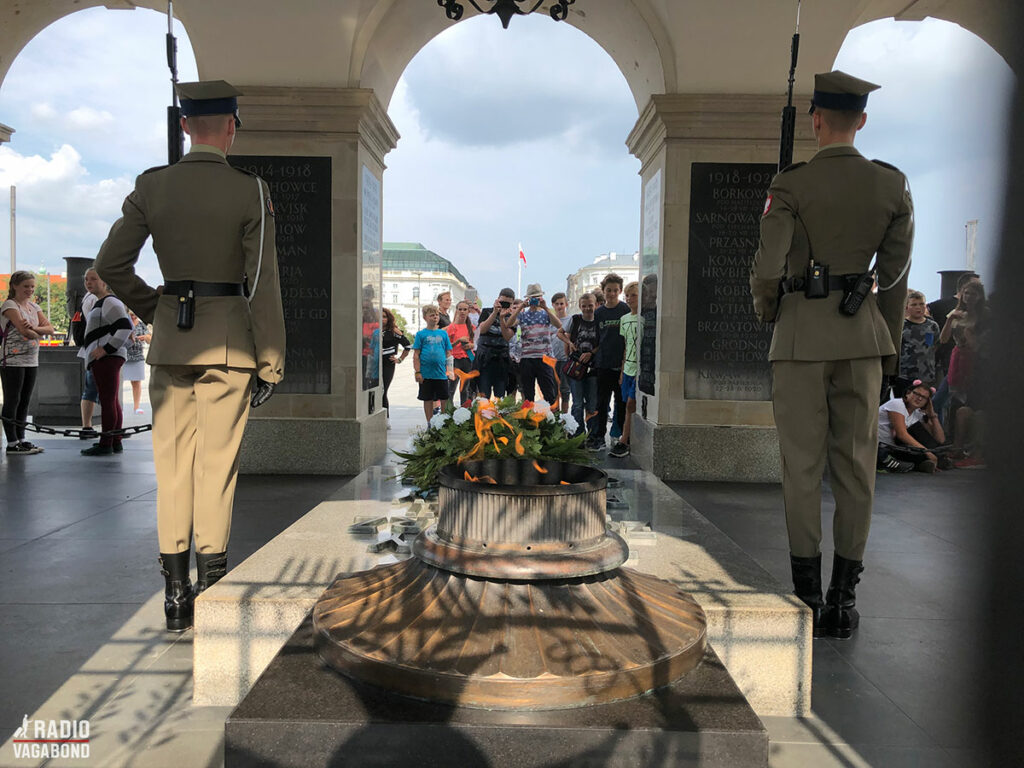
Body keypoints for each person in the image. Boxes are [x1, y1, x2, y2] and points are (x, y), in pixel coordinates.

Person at [94, 80, 286, 632]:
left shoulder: (152, 187)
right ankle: (214, 584)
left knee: (173, 467)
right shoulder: (248, 190)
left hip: (172, 341)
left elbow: (111, 264)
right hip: (228, 345)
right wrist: (269, 358)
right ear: (231, 126)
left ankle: (175, 595)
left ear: (184, 126)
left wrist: (153, 307)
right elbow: (263, 284)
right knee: (216, 468)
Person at [749, 70, 913, 639]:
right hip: (863, 339)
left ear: (816, 120)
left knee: (801, 467)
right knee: (856, 468)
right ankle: (844, 602)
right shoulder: (892, 187)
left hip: (799, 339)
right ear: (861, 121)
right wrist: (884, 350)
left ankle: (807, 597)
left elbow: (768, 268)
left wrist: (772, 313)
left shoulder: (791, 184)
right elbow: (893, 281)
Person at [79, 270, 133, 456]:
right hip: (105, 357)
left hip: (106, 358)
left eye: (94, 279)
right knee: (110, 399)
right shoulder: (104, 302)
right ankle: (114, 440)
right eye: (86, 279)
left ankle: (106, 442)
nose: (89, 282)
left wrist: (106, 349)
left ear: (105, 282)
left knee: (108, 400)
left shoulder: (109, 302)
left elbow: (125, 327)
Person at [1, 271, 54, 455]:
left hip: (32, 359)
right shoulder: (10, 305)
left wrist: (37, 330)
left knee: (25, 400)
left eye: (32, 286)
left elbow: (50, 329)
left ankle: (22, 438)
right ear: (15, 286)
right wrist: (39, 332)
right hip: (12, 360)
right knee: (12, 399)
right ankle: (11, 441)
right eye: (26, 286)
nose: (30, 290)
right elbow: (24, 331)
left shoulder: (34, 307)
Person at [590, 274, 629, 450]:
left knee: (621, 402)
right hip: (603, 364)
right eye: (608, 290)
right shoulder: (598, 313)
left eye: (615, 290)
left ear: (620, 291)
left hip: (621, 365)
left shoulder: (626, 310)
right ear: (603, 291)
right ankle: (599, 436)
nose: (612, 294)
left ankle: (617, 434)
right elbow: (595, 339)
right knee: (601, 403)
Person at [504, 283, 559, 404]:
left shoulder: (546, 314)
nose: (534, 300)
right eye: (532, 297)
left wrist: (546, 308)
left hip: (545, 358)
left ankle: (551, 419)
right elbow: (508, 324)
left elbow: (559, 325)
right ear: (528, 299)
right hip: (527, 358)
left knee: (549, 393)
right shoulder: (523, 315)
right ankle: (529, 419)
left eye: (537, 297)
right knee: (528, 395)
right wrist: (520, 307)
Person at [877, 381, 947, 473]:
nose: (919, 398)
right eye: (916, 394)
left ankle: (921, 464)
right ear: (908, 393)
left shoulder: (917, 413)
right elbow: (902, 435)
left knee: (932, 447)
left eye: (924, 397)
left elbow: (940, 439)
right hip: (879, 447)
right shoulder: (897, 404)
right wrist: (928, 453)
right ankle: (918, 464)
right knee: (925, 449)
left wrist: (932, 415)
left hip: (894, 448)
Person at [558, 292, 600, 439]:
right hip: (576, 367)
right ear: (580, 307)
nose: (587, 309)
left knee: (592, 403)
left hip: (593, 367)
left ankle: (592, 434)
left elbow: (603, 342)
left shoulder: (599, 321)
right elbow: (560, 333)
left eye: (590, 306)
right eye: (584, 306)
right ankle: (577, 434)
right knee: (577, 403)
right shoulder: (575, 320)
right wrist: (569, 343)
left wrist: (592, 353)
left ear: (595, 305)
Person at [610, 281, 641, 458]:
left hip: (639, 369)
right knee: (626, 404)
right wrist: (622, 370)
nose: (629, 299)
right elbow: (625, 346)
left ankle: (624, 440)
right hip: (628, 368)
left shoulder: (645, 318)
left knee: (631, 404)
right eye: (627, 296)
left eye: (633, 295)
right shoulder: (625, 319)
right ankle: (627, 438)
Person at [891, 290, 940, 400]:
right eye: (914, 304)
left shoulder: (932, 326)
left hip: (927, 375)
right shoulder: (901, 326)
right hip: (905, 375)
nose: (918, 307)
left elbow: (935, 345)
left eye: (921, 304)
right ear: (907, 307)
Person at [412, 304, 454, 424]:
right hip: (426, 374)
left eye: (436, 315)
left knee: (444, 398)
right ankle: (429, 422)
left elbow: (448, 353)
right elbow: (416, 354)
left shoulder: (443, 334)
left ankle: (444, 421)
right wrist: (418, 371)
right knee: (427, 398)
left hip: (441, 373)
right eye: (431, 315)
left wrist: (450, 371)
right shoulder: (421, 334)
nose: (435, 317)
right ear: (425, 317)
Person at [475, 289, 515, 399]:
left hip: (502, 359)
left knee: (500, 396)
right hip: (485, 358)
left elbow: (507, 336)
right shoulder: (487, 311)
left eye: (508, 303)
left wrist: (502, 317)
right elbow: (482, 330)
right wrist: (494, 313)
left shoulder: (512, 317)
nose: (504, 305)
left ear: (512, 303)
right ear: (497, 300)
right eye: (502, 302)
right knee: (483, 395)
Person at [77, 279, 100, 441]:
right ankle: (88, 425)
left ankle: (87, 425)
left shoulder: (87, 298)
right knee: (94, 388)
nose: (88, 282)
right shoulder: (94, 300)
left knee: (91, 388)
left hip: (90, 350)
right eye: (87, 279)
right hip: (96, 351)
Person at [380, 308, 410, 428]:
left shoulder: (394, 331)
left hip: (388, 364)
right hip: (373, 364)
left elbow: (407, 346)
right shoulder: (372, 329)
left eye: (385, 317)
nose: (382, 319)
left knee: (383, 391)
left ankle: (386, 419)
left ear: (389, 319)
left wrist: (400, 359)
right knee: (374, 392)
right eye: (380, 317)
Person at [446, 300, 476, 406]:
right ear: (457, 311)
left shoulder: (471, 327)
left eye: (465, 309)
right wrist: (458, 341)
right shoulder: (452, 327)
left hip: (468, 359)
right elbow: (447, 346)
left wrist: (471, 345)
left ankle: (464, 411)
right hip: (455, 360)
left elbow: (475, 343)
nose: (462, 312)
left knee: (465, 388)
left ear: (468, 311)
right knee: (451, 388)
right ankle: (448, 410)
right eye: (460, 309)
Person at [124, 310, 151, 414]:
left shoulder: (141, 324)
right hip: (124, 356)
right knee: (118, 382)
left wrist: (145, 337)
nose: (133, 317)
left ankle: (136, 406)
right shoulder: (124, 322)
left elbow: (150, 338)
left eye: (135, 315)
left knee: (136, 382)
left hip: (138, 356)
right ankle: (118, 405)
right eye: (131, 315)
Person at [549, 292, 572, 413]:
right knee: (553, 391)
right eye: (557, 304)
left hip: (565, 360)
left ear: (566, 304)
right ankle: (555, 417)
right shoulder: (550, 321)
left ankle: (565, 418)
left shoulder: (571, 320)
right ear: (553, 305)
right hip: (552, 360)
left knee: (565, 390)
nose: (559, 306)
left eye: (562, 303)